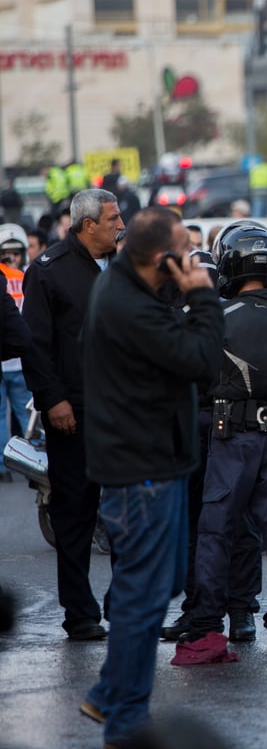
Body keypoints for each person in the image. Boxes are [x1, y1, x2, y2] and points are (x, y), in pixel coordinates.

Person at [79, 206, 224, 747]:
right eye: (184, 249)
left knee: (158, 587)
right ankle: (125, 721)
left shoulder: (129, 288)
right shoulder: (130, 308)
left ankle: (109, 692)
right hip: (142, 473)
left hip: (151, 463)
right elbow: (203, 359)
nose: (191, 258)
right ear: (161, 259)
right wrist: (203, 294)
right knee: (143, 599)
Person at [179, 222, 267, 654]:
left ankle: (207, 622)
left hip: (231, 437)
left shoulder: (213, 319)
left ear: (228, 264)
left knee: (216, 530)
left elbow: (192, 376)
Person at [22, 188, 124, 639]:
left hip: (125, 414)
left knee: (129, 515)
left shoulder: (127, 266)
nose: (122, 226)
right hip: (74, 414)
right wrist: (53, 400)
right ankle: (79, 614)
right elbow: (34, 346)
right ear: (88, 226)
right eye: (114, 219)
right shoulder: (47, 273)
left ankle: (125, 605)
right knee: (76, 515)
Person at [0, 225, 32, 481]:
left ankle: (2, 466)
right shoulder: (26, 276)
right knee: (25, 414)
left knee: (3, 415)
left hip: (10, 360)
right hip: (20, 359)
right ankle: (31, 461)